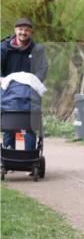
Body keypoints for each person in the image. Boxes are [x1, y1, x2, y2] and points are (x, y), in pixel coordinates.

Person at [1, 18, 48, 150]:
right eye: (20, 29)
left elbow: (42, 69)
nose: (23, 32)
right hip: (8, 92)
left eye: (26, 30)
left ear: (30, 32)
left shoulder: (37, 50)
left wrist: (33, 81)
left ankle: (30, 158)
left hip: (29, 93)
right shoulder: (4, 47)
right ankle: (9, 156)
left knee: (29, 128)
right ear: (15, 30)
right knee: (9, 126)